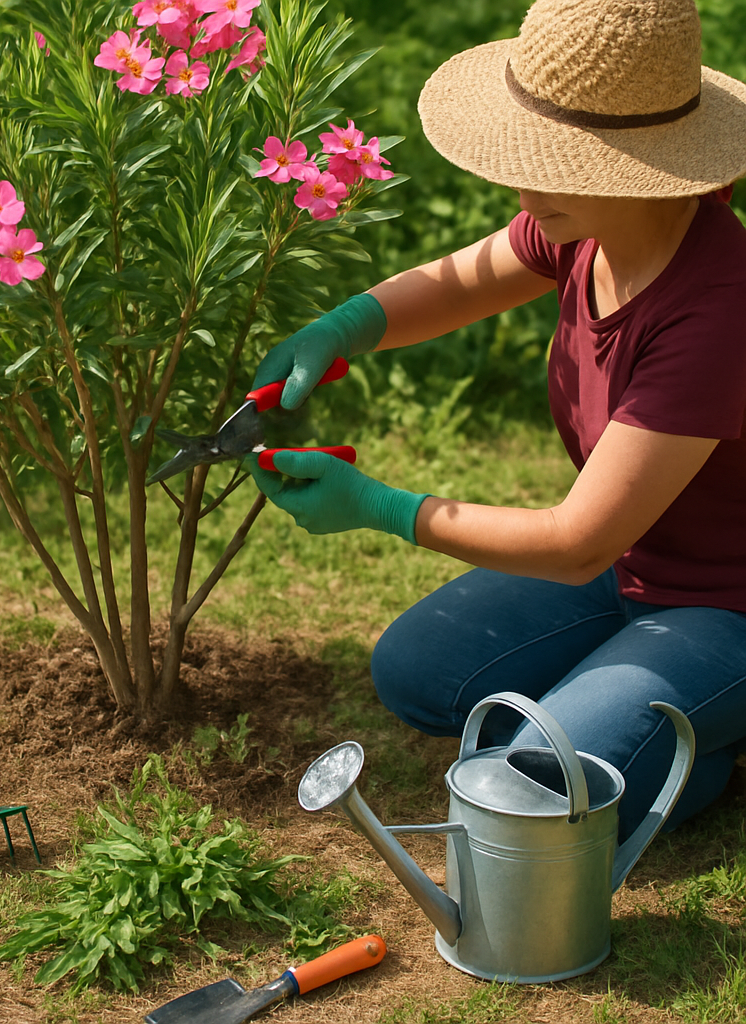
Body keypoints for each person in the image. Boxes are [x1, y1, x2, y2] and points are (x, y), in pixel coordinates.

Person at [249, 0, 746, 842]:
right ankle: (655, 717)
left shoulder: (717, 311)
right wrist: (342, 329)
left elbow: (576, 542)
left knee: (534, 783)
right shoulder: (594, 226)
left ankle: (701, 741)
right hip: (637, 563)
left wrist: (381, 508)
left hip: (725, 604)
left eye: (551, 162)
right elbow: (456, 281)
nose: (521, 186)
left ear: (632, 165)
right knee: (418, 673)